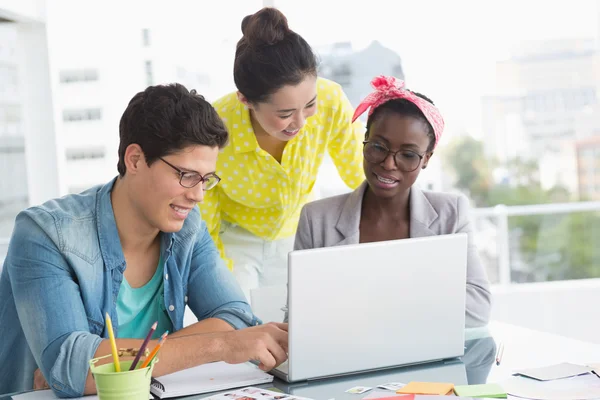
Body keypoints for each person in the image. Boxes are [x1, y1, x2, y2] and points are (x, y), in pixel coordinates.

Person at [0, 84, 288, 398]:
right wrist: (218, 345)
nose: (198, 195)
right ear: (135, 159)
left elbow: (236, 318)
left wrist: (98, 362)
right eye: (187, 175)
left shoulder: (187, 227)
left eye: (206, 179)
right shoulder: (45, 233)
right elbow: (74, 369)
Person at [292, 76, 492, 327]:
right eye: (378, 146)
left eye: (408, 155)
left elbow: (477, 309)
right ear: (364, 139)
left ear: (427, 158)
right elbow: (301, 315)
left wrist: (366, 302)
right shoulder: (317, 219)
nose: (388, 163)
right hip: (343, 357)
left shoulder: (451, 214)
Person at [199, 7, 364, 300]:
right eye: (285, 113)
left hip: (298, 235)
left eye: (309, 105)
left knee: (305, 323)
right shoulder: (214, 126)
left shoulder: (331, 100)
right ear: (246, 100)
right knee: (241, 322)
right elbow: (204, 217)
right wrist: (221, 277)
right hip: (235, 239)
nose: (301, 122)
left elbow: (361, 175)